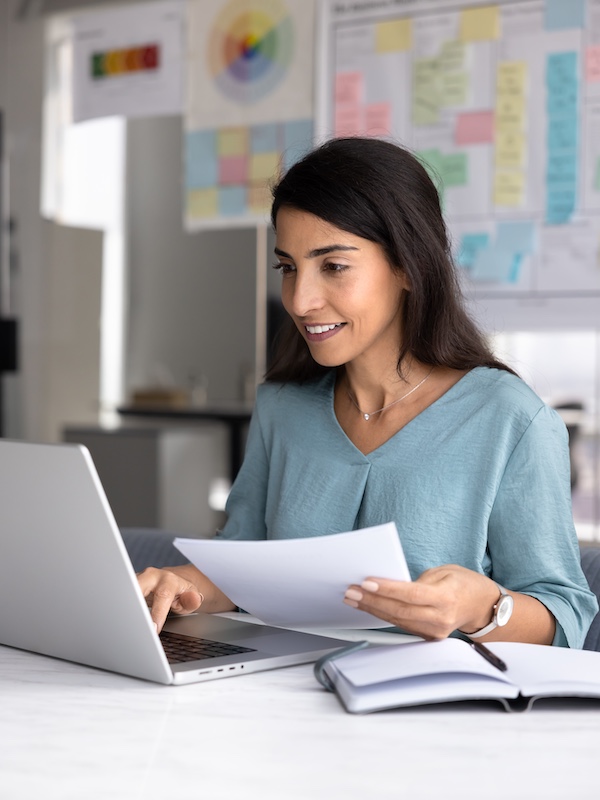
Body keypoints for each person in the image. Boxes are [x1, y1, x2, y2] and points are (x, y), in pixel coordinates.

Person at [138, 136, 598, 647]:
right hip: (281, 698)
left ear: (406, 265)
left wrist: (479, 608)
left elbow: (566, 614)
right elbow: (245, 560)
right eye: (288, 267)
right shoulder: (283, 407)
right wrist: (182, 584)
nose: (300, 300)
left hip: (436, 710)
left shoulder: (510, 419)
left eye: (333, 266)